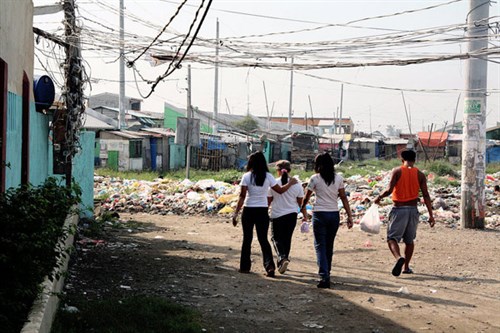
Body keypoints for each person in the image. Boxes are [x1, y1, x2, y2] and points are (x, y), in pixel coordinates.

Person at [232, 152, 298, 277]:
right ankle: (270, 267)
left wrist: (236, 213)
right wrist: (290, 183)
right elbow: (280, 190)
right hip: (262, 210)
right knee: (263, 240)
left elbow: (242, 196)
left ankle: (245, 267)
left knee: (247, 239)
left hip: (248, 209)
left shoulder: (246, 176)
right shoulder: (268, 176)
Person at [374, 149, 435, 276]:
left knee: (392, 238)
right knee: (409, 240)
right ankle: (406, 267)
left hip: (399, 209)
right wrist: (431, 215)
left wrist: (379, 197)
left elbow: (389, 190)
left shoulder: (397, 171)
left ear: (402, 160)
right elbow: (426, 195)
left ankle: (398, 258)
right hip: (413, 210)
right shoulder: (420, 174)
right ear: (415, 160)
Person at [301, 152, 353, 288]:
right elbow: (343, 197)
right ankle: (327, 272)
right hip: (334, 215)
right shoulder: (338, 178)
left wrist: (302, 209)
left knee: (320, 246)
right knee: (329, 246)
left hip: (319, 214)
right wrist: (349, 215)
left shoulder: (315, 178)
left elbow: (306, 197)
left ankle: (324, 276)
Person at [267, 160, 305, 274]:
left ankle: (282, 258)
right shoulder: (297, 184)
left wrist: (264, 212)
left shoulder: (274, 183)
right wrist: (305, 216)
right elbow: (300, 203)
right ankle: (283, 261)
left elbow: (268, 201)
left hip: (277, 215)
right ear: (289, 170)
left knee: (275, 238)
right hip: (292, 215)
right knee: (287, 239)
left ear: (278, 171)